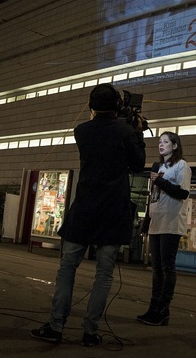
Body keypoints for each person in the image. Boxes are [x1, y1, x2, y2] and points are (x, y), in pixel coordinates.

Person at [30, 83, 146, 346]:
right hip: (113, 210)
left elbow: (102, 131)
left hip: (84, 209)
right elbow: (138, 164)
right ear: (117, 107)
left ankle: (56, 326)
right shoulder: (126, 131)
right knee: (104, 275)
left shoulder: (81, 131)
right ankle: (90, 332)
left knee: (67, 269)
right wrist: (138, 133)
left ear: (91, 107)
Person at [137, 131, 191, 326]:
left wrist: (159, 180)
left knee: (167, 267)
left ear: (175, 145)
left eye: (166, 142)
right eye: (159, 142)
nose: (161, 145)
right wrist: (146, 222)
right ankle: (153, 307)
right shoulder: (159, 167)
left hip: (171, 222)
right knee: (156, 268)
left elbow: (182, 193)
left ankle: (163, 308)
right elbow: (153, 197)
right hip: (156, 222)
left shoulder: (181, 166)